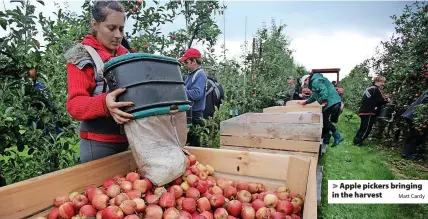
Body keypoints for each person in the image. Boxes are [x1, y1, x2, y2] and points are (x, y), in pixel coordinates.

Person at [64, 1, 134, 163]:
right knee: (97, 187)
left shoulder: (126, 56)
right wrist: (104, 103)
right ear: (95, 25)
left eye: (121, 29)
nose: (118, 35)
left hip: (129, 139)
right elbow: (74, 105)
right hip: (98, 143)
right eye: (111, 28)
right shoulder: (81, 57)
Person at [298, 73, 344, 147]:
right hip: (331, 101)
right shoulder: (314, 83)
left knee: (324, 120)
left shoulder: (315, 81)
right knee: (324, 120)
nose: (305, 85)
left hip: (331, 101)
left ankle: (337, 136)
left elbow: (324, 90)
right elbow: (314, 97)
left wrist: (324, 100)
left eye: (305, 83)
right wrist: (305, 102)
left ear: (307, 79)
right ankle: (326, 139)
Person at [179, 48, 207, 147]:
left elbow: (197, 94)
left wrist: (180, 92)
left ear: (194, 61)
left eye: (186, 62)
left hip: (195, 115)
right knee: (188, 144)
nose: (185, 65)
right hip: (189, 114)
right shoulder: (190, 75)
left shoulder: (200, 75)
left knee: (196, 144)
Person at [353, 76, 390, 146]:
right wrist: (387, 100)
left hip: (363, 111)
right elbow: (381, 100)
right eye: (382, 82)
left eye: (383, 82)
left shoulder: (369, 88)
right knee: (367, 128)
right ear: (377, 81)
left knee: (363, 127)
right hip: (369, 112)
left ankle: (356, 140)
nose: (383, 84)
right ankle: (358, 142)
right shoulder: (376, 89)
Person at [400, 89, 428, 160]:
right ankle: (407, 154)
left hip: (415, 116)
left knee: (417, 135)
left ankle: (409, 153)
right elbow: (425, 100)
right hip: (414, 116)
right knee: (415, 135)